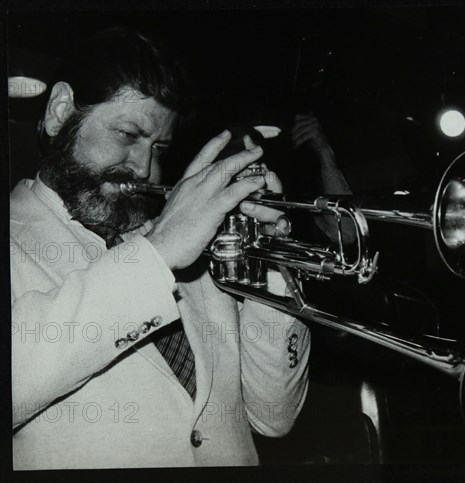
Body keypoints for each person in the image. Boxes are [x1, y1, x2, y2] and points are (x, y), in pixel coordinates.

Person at [10, 27, 310, 469]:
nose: (145, 169)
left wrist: (270, 261)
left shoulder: (179, 239)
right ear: (59, 112)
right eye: (129, 135)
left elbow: (274, 417)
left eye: (159, 147)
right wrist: (158, 253)